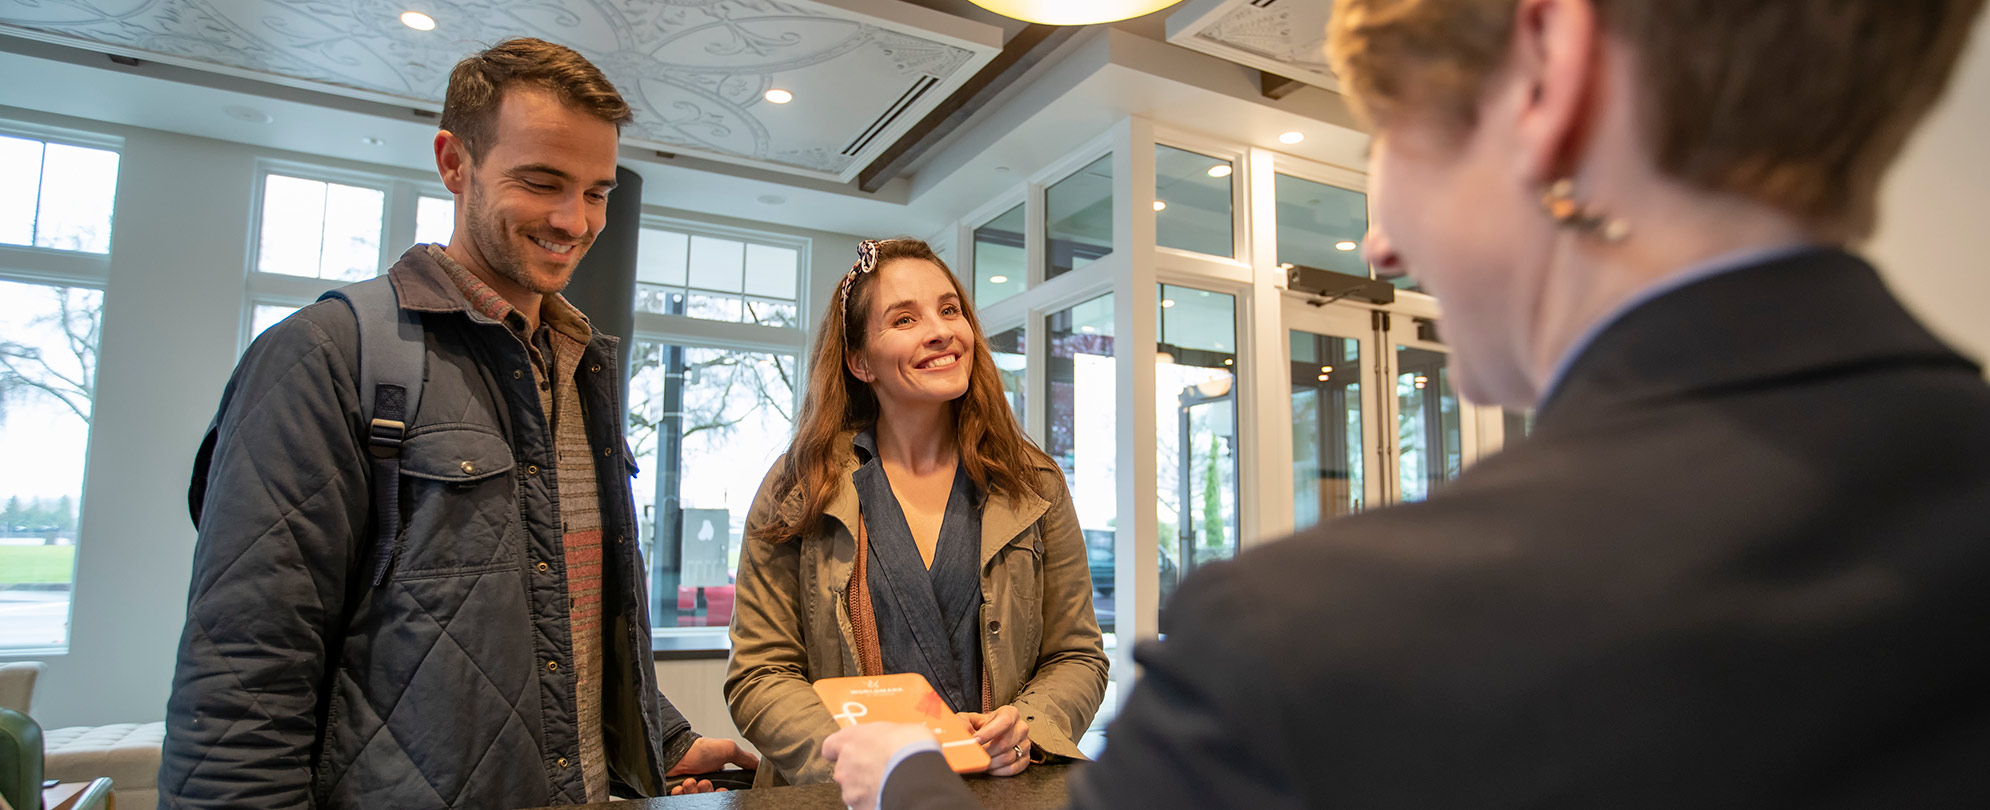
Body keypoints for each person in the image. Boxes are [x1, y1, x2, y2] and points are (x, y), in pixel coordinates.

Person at [822, 0, 1990, 807]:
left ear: (1551, 74)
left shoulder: (1301, 650)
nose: (1381, 242)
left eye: (1394, 137)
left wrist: (906, 783)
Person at [159, 38, 755, 809]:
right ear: (453, 162)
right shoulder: (322, 358)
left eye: (597, 191)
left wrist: (659, 735)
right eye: (542, 183)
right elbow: (242, 696)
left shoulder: (584, 369)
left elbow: (556, 621)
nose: (574, 220)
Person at [725, 238, 1109, 787]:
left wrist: (1028, 726)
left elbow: (1078, 655)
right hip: (849, 796)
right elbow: (760, 674)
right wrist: (855, 760)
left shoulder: (1034, 485)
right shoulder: (799, 486)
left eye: (950, 310)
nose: (941, 330)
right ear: (860, 362)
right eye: (904, 319)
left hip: (1000, 792)